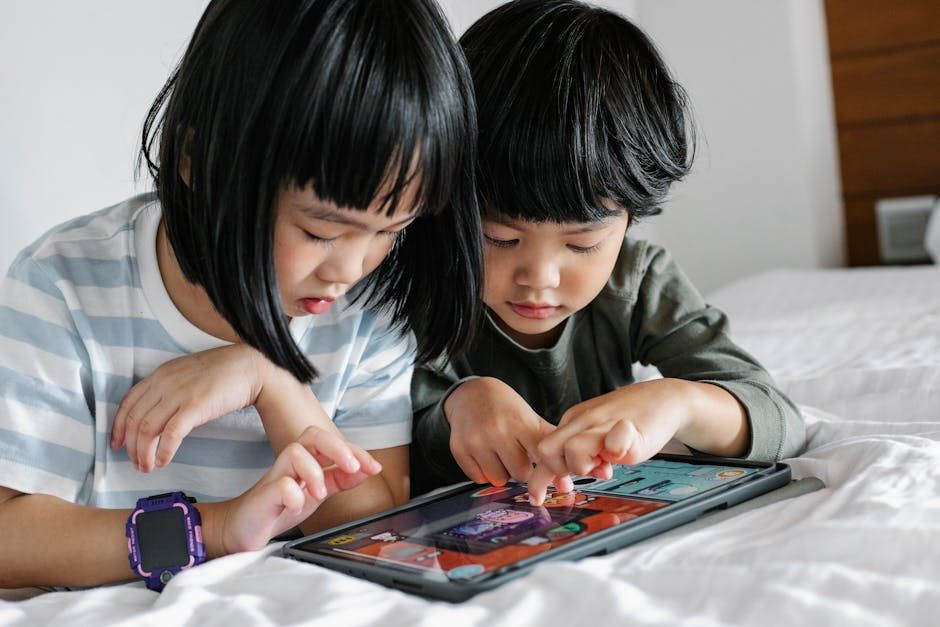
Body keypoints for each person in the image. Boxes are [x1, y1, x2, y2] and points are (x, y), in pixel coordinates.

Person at [0, 0, 481, 590]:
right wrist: (216, 528)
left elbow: (380, 524)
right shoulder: (65, 287)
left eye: (391, 230)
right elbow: (8, 537)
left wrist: (271, 384)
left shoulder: (368, 308)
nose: (352, 269)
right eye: (320, 232)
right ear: (198, 164)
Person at [411, 0, 806, 504]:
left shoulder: (636, 282)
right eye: (500, 238)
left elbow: (779, 416)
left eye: (582, 243)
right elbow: (376, 444)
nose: (540, 277)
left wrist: (678, 401)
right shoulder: (420, 286)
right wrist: (457, 406)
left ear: (629, 220)